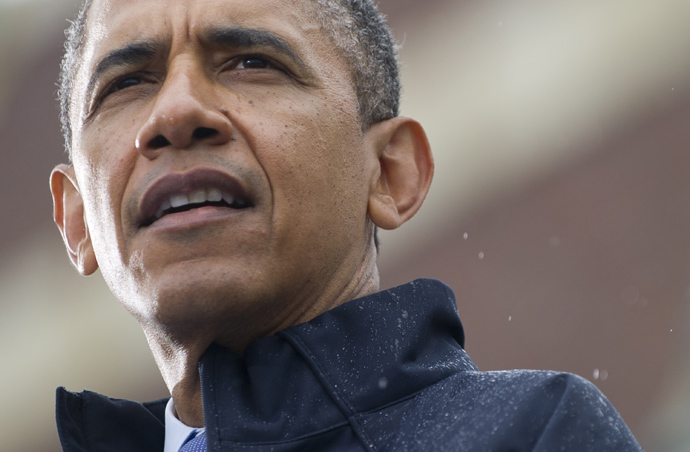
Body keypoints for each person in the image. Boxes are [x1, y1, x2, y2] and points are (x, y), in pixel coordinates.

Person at [49, 0, 644, 450]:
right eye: (127, 83)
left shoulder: (530, 434)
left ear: (389, 172)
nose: (175, 113)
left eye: (252, 62)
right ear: (76, 220)